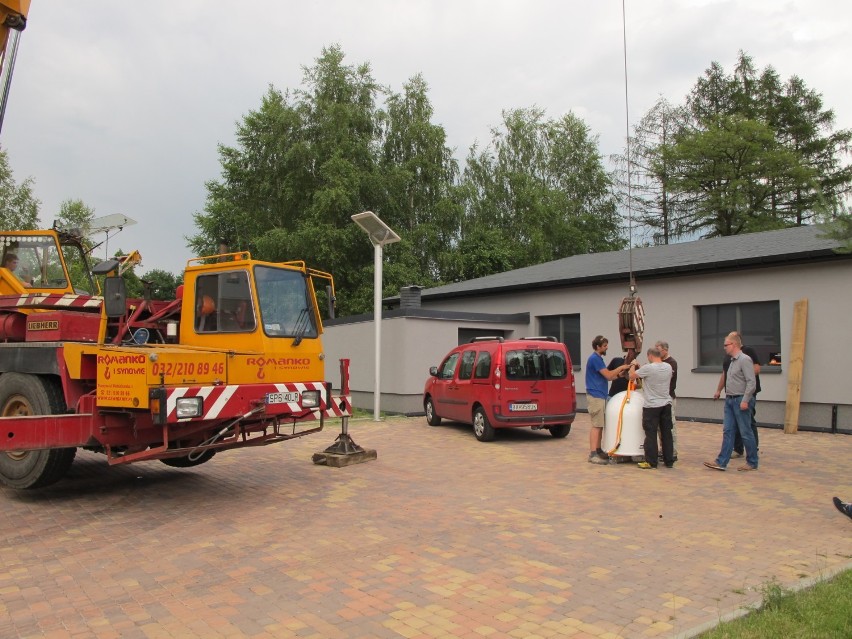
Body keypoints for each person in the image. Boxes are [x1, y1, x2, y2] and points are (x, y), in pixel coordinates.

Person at [705, 332, 758, 471]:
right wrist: (720, 391)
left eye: (726, 345)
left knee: (745, 432)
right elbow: (726, 377)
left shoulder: (744, 359)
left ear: (734, 344)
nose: (724, 348)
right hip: (730, 399)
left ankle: (752, 461)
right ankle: (721, 461)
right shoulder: (731, 360)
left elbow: (751, 382)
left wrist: (745, 400)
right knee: (728, 431)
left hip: (741, 399)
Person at [585, 335, 631, 464]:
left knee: (601, 424)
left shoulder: (598, 359)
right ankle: (593, 453)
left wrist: (620, 375)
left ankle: (599, 450)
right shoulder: (595, 359)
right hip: (596, 396)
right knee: (597, 425)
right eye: (604, 346)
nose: (607, 347)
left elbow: (610, 378)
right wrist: (622, 367)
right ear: (598, 347)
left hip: (601, 395)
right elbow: (609, 374)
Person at [629, 347, 674, 469]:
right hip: (666, 404)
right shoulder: (668, 367)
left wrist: (633, 365)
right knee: (666, 433)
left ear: (650, 356)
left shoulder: (648, 368)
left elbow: (631, 376)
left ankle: (651, 462)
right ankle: (669, 460)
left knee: (651, 434)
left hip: (652, 406)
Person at [655, 341, 678, 460]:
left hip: (668, 398)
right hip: (659, 399)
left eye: (658, 349)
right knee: (660, 426)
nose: (656, 352)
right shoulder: (658, 363)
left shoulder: (671, 363)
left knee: (670, 426)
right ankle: (662, 449)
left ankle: (672, 451)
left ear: (665, 350)